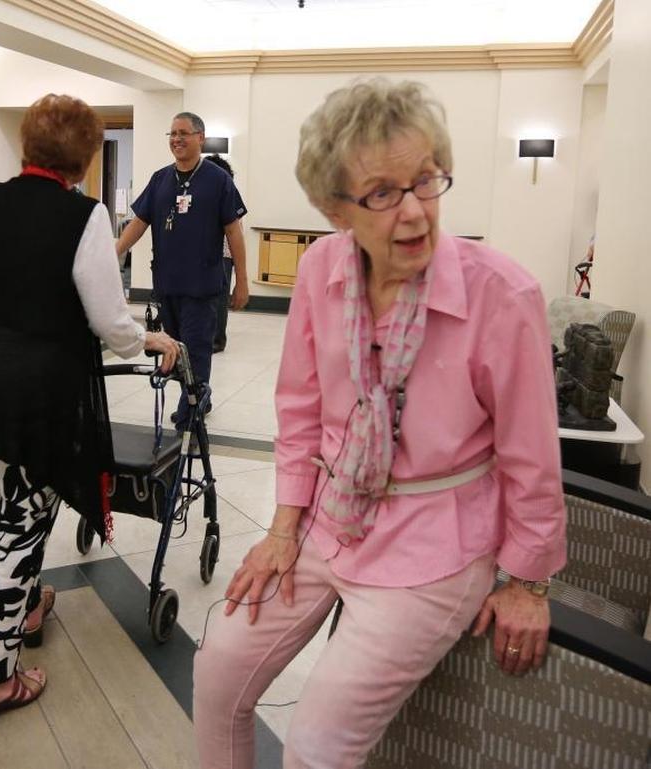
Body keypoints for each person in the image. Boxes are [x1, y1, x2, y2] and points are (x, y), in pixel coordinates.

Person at [193, 78, 566, 769]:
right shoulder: (319, 270)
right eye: (383, 193)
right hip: (328, 519)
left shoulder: (502, 294)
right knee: (217, 676)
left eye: (426, 180)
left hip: (434, 547)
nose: (417, 211)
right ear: (335, 207)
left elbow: (531, 454)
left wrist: (528, 581)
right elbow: (300, 408)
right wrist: (282, 529)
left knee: (315, 748)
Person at [0, 93, 179, 728]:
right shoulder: (84, 215)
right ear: (84, 158)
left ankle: (28, 605)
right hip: (31, 386)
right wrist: (147, 340)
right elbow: (108, 320)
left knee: (3, 500)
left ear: (28, 146)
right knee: (21, 518)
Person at [116, 112, 249, 425]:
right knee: (174, 349)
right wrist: (115, 252)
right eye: (172, 133)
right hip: (167, 284)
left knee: (196, 349)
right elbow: (139, 222)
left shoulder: (218, 180)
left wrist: (242, 281)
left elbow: (234, 231)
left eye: (183, 133)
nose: (176, 139)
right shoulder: (160, 179)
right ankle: (199, 397)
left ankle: (192, 412)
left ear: (200, 138)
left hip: (202, 285)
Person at [202, 153, 240, 353]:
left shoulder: (227, 193)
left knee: (219, 298)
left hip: (223, 252)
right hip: (209, 252)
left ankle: (217, 339)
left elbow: (234, 230)